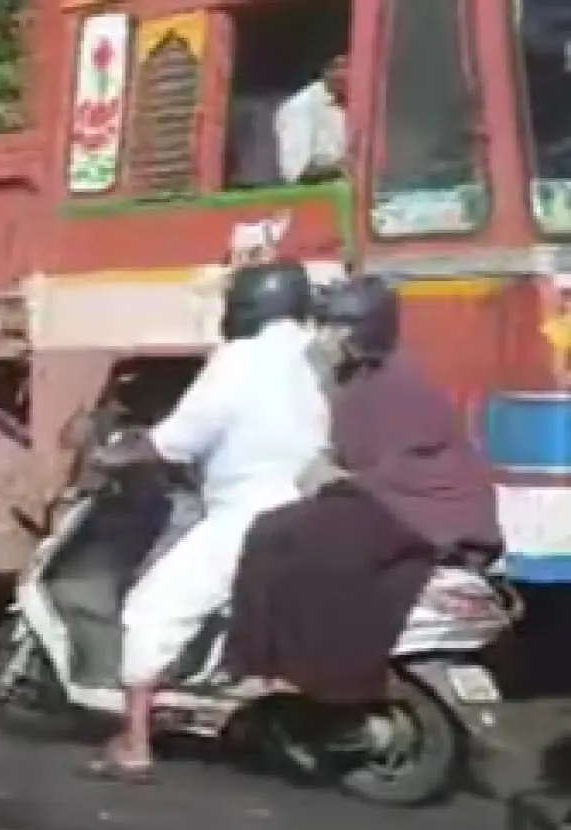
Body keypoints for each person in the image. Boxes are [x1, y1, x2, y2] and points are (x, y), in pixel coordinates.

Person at [88, 259, 331, 782]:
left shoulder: (238, 360)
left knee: (152, 608)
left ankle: (134, 745)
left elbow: (178, 438)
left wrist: (116, 454)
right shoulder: (316, 353)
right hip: (319, 506)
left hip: (249, 513)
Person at [226, 276, 501, 702]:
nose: (327, 337)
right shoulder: (365, 378)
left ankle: (289, 669)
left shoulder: (396, 382)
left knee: (287, 538)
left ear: (364, 331)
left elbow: (393, 463)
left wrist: (337, 480)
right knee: (281, 532)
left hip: (421, 510)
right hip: (399, 503)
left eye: (339, 327)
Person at [275, 55, 348, 184]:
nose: (347, 73)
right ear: (326, 71)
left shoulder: (354, 103)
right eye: (340, 67)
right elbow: (296, 173)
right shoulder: (300, 107)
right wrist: (343, 167)